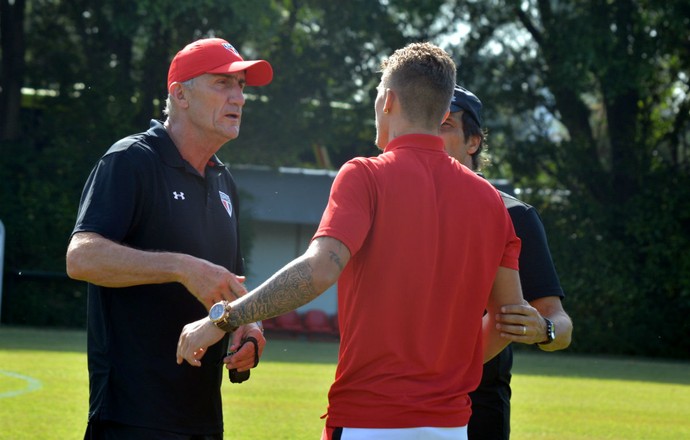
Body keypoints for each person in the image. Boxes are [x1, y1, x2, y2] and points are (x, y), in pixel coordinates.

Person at [177, 42, 526, 440]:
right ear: (444, 112)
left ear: (388, 100)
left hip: (369, 419)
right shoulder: (490, 200)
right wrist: (445, 374)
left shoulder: (365, 174)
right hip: (452, 426)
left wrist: (223, 318)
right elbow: (507, 318)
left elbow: (319, 268)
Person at [65, 37, 272, 439]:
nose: (239, 98)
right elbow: (81, 257)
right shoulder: (130, 160)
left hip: (203, 419)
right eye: (222, 84)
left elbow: (230, 288)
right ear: (180, 95)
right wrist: (180, 267)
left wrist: (249, 327)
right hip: (132, 417)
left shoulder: (223, 179)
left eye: (241, 87)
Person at [439, 85, 574, 440]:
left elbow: (560, 323)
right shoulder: (395, 204)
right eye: (426, 124)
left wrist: (542, 329)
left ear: (474, 141)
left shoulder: (515, 215)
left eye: (446, 124)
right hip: (395, 398)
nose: (432, 135)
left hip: (478, 406)